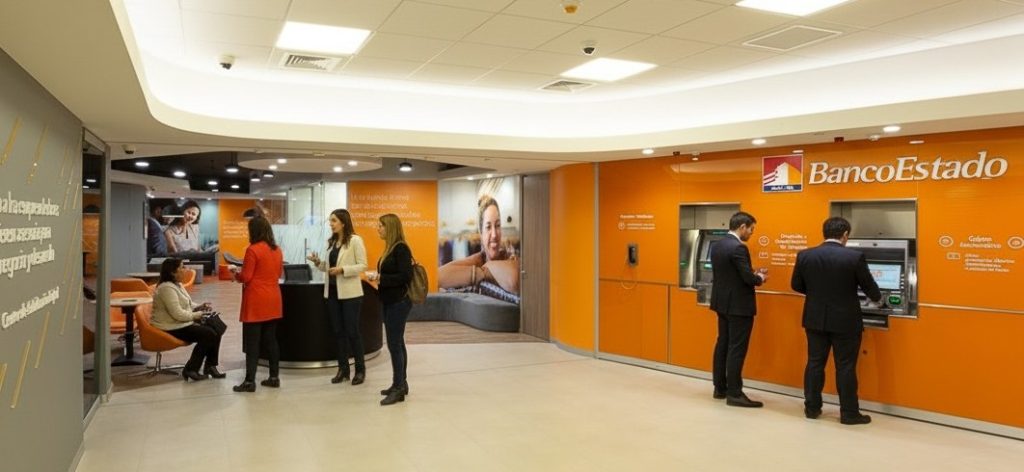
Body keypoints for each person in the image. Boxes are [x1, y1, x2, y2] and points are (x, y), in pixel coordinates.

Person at [792, 217, 881, 425]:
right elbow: (871, 290)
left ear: (824, 232)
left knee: (815, 363)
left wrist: (817, 296)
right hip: (845, 321)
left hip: (815, 319)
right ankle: (849, 413)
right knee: (846, 367)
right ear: (845, 235)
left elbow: (796, 284)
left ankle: (812, 408)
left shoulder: (805, 255)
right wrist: (877, 298)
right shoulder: (854, 257)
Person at [710, 211, 768, 408]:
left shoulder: (717, 245)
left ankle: (720, 388)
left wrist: (751, 274)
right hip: (739, 306)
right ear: (742, 227)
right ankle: (734, 393)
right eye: (751, 229)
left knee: (723, 344)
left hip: (721, 303)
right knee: (737, 348)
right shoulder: (738, 248)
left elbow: (730, 274)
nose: (751, 233)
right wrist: (760, 277)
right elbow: (747, 278)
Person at [307, 209, 368, 386]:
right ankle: (343, 370)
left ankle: (360, 370)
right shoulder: (332, 242)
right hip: (332, 293)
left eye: (333, 221)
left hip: (350, 294)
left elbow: (363, 265)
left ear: (343, 222)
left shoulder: (355, 240)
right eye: (330, 221)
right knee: (338, 333)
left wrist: (343, 270)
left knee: (352, 332)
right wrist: (318, 263)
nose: (331, 224)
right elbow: (328, 268)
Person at [150, 258, 225, 381]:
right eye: (182, 267)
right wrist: (198, 315)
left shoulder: (177, 285)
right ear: (173, 272)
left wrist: (199, 306)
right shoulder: (166, 288)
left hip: (178, 323)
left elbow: (187, 304)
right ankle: (191, 369)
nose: (186, 270)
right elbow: (178, 314)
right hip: (170, 326)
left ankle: (210, 366)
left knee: (216, 329)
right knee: (208, 334)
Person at [231, 216, 284, 393]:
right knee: (271, 340)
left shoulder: (252, 250)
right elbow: (278, 273)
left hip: (256, 300)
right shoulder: (277, 250)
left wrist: (236, 274)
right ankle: (274, 377)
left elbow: (246, 277)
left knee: (253, 343)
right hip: (273, 298)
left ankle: (249, 381)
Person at [367, 213, 413, 406]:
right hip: (389, 301)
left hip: (398, 302)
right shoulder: (390, 248)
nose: (378, 229)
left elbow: (405, 276)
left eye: (381, 226)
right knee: (397, 342)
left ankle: (398, 388)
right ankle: (401, 383)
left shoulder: (401, 248)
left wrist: (380, 278)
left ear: (390, 227)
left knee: (394, 344)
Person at [437, 195, 519, 295]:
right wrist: (480, 273)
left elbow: (514, 279)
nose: (494, 234)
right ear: (481, 233)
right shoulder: (478, 259)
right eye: (488, 227)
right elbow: (438, 277)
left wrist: (486, 268)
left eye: (497, 226)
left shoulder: (509, 256)